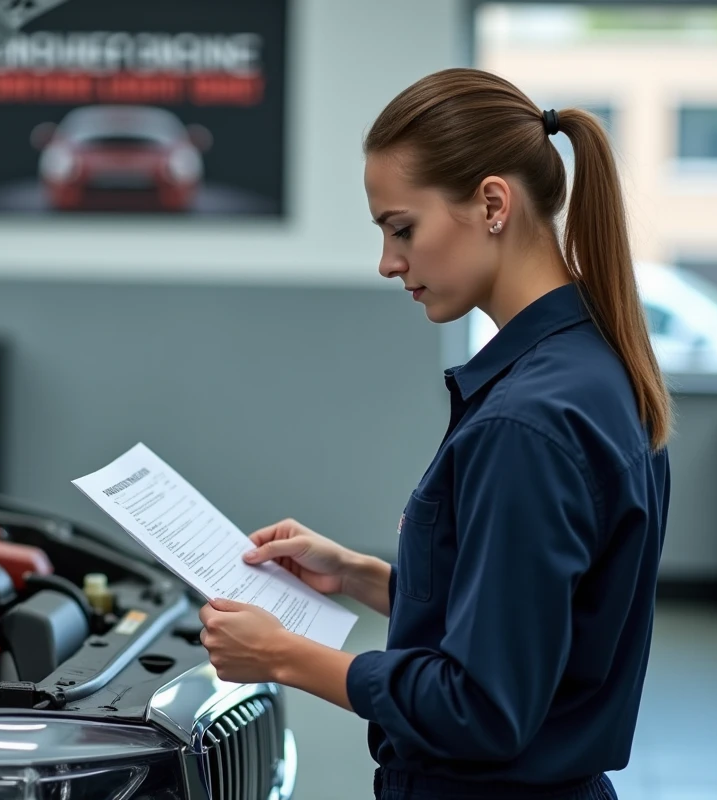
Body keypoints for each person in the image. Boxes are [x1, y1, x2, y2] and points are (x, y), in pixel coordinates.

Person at [198, 67, 672, 800]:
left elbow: (480, 708)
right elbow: (533, 622)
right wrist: (358, 576)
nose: (389, 262)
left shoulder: (528, 422)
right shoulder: (594, 370)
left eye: (401, 229)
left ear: (491, 204)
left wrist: (285, 657)